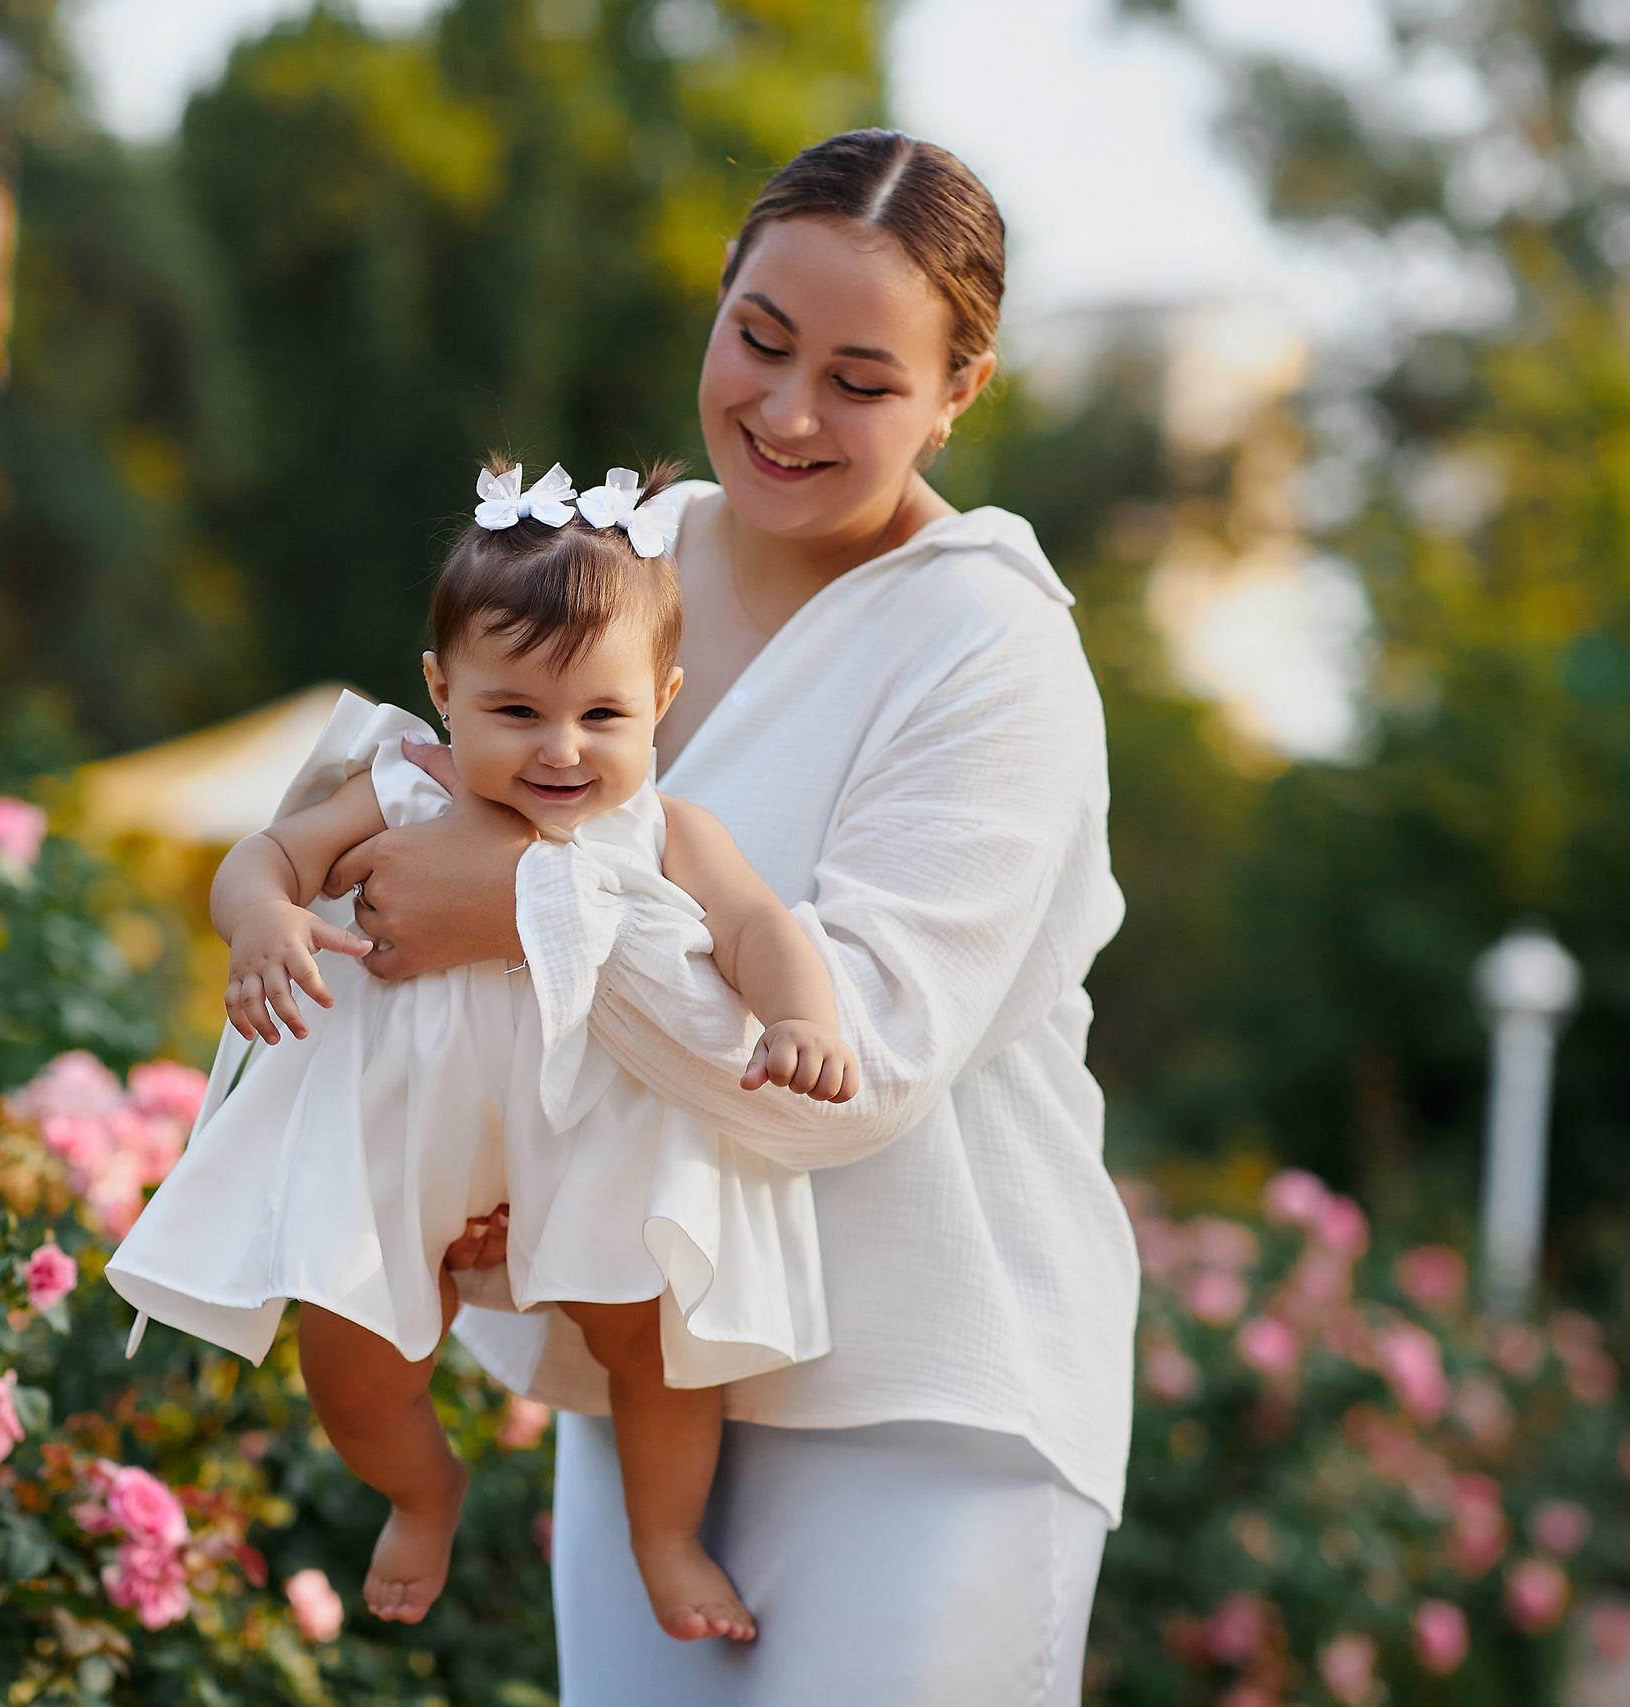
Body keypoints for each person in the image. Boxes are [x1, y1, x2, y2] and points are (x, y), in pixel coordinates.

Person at [326, 130, 1139, 1704]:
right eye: (760, 339)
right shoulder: (606, 569)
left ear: (960, 390)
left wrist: (527, 905)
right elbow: (450, 926)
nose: (787, 410)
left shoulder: (992, 644)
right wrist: (476, 1178)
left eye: (861, 379)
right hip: (653, 1368)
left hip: (921, 1403)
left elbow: (855, 1067)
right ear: (718, 297)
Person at [106, 457, 856, 1642]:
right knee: (348, 1360)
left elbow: (759, 928)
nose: (561, 750)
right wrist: (261, 920)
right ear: (441, 689)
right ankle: (423, 1489)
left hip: (590, 1144)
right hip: (405, 1146)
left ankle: (664, 1537)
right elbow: (267, 857)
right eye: (516, 712)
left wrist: (802, 1018)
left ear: (662, 700)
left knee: (653, 1345)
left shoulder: (664, 830)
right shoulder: (403, 791)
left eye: (602, 716)